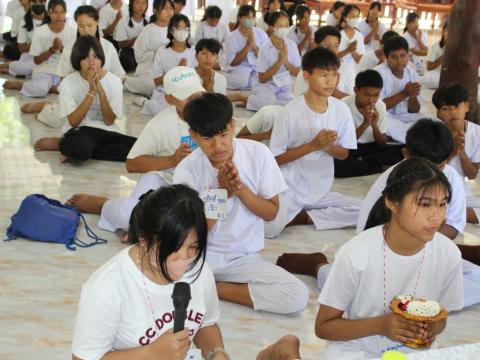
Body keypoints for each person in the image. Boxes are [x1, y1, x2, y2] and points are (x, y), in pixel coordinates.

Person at [277, 122, 480, 309]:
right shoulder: (392, 183)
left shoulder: (451, 177)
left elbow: (453, 225)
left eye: (440, 167)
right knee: (365, 296)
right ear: (406, 155)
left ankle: (415, 301)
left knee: (475, 280)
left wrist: (430, 246)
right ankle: (318, 267)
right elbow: (367, 236)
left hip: (427, 250)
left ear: (447, 160)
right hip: (385, 257)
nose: (432, 175)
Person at [174, 92, 309, 314]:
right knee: (155, 278)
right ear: (194, 135)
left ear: (233, 125)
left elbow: (271, 214)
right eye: (207, 138)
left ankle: (213, 289)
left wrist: (240, 190)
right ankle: (200, 283)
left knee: (297, 295)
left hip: (243, 258)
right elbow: (193, 234)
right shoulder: (186, 170)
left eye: (223, 134)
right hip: (199, 256)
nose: (218, 145)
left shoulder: (258, 154)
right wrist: (222, 193)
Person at [316, 156, 463, 358]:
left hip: (414, 351)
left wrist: (431, 329)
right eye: (425, 204)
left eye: (442, 204)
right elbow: (323, 327)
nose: (436, 216)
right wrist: (381, 325)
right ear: (392, 202)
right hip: (357, 350)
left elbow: (441, 317)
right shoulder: (355, 254)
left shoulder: (449, 254)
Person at [71, 185, 229, 360]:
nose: (185, 258)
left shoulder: (200, 271)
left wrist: (217, 354)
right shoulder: (107, 288)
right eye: (173, 248)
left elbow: (206, 325)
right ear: (144, 239)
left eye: (194, 247)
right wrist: (151, 354)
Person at [67, 66, 205, 238]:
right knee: (131, 216)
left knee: (196, 224)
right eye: (187, 97)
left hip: (201, 185)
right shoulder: (161, 123)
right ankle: (104, 206)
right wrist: (172, 160)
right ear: (169, 99)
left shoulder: (212, 115)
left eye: (198, 95)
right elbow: (131, 164)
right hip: (163, 180)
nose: (195, 101)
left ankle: (140, 230)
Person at [265, 47, 360, 238]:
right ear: (307, 76)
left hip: (320, 188)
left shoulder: (341, 110)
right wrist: (312, 146)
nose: (330, 81)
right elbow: (274, 159)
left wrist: (327, 147)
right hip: (289, 186)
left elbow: (344, 154)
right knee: (269, 229)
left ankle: (305, 217)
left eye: (334, 74)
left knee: (366, 210)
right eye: (324, 75)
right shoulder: (290, 112)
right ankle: (294, 215)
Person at [33, 36, 136, 163]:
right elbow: (74, 122)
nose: (92, 62)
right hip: (80, 131)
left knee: (136, 150)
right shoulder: (68, 82)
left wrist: (101, 91)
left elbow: (109, 121)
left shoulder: (114, 81)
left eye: (96, 57)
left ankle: (66, 145)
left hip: (107, 132)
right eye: (86, 57)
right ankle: (71, 145)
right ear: (78, 60)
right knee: (82, 148)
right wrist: (92, 91)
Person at [21, 5, 125, 129]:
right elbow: (63, 79)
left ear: (97, 23)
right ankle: (46, 107)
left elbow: (119, 77)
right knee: (63, 121)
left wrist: (102, 82)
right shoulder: (70, 48)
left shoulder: (108, 47)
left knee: (102, 125)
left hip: (102, 101)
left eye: (90, 25)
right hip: (77, 101)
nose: (86, 30)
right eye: (81, 26)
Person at [334, 70, 403, 178]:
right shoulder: (343, 105)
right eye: (367, 95)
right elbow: (343, 143)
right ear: (356, 90)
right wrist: (365, 124)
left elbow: (382, 143)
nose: (372, 100)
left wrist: (374, 125)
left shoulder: (380, 106)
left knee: (404, 150)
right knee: (337, 166)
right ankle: (381, 168)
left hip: (372, 148)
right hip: (352, 149)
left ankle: (364, 160)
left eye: (376, 95)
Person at [4, 0, 76, 97]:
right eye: (55, 12)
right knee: (40, 89)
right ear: (48, 13)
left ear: (65, 13)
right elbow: (36, 61)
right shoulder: (40, 31)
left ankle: (46, 87)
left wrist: (63, 49)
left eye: (62, 12)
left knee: (77, 89)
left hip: (65, 71)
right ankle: (24, 85)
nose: (59, 16)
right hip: (45, 70)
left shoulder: (72, 32)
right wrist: (52, 49)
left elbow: (74, 59)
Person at [433, 84, 480, 227]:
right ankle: (451, 212)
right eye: (445, 108)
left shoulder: (477, 133)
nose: (452, 112)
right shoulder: (434, 131)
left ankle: (449, 212)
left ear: (466, 106)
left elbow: (472, 175)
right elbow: (429, 169)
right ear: (439, 113)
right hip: (434, 185)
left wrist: (462, 154)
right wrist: (452, 152)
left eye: (456, 106)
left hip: (459, 187)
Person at [238, 11, 300, 111]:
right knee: (268, 101)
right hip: (265, 85)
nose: (284, 28)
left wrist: (286, 62)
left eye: (287, 25)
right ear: (272, 27)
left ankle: (253, 102)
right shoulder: (265, 49)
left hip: (283, 86)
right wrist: (279, 62)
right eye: (280, 26)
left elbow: (297, 73)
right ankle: (242, 96)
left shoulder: (292, 45)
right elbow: (262, 78)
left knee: (292, 106)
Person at [138, 13, 196, 116]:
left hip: (188, 92)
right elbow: (156, 81)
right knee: (160, 109)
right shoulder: (162, 51)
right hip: (166, 92)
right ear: (171, 30)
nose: (183, 31)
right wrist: (177, 72)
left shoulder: (193, 51)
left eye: (186, 28)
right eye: (179, 28)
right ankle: (144, 102)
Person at [375, 35, 426, 143]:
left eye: (403, 55)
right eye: (394, 57)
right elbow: (379, 107)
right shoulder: (378, 74)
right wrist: (404, 93)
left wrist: (412, 95)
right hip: (386, 118)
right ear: (386, 57)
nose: (399, 60)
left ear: (408, 55)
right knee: (384, 126)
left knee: (430, 123)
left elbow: (414, 111)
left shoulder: (412, 74)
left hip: (406, 117)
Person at [124, 0, 174, 96]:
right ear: (155, 11)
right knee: (152, 85)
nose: (169, 12)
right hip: (149, 70)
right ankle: (127, 82)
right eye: (165, 8)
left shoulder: (175, 29)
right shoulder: (148, 31)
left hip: (169, 69)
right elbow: (138, 56)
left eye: (171, 8)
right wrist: (156, 53)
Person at [294, 26, 356, 99]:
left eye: (336, 46)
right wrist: (331, 89)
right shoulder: (307, 72)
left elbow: (352, 99)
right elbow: (301, 102)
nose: (332, 50)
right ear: (315, 46)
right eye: (326, 45)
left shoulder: (347, 69)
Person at [224, 4, 268, 90]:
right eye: (248, 17)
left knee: (264, 81)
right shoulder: (231, 37)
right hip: (240, 68)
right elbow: (233, 62)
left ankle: (251, 84)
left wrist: (254, 46)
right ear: (239, 18)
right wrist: (247, 47)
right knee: (241, 82)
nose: (251, 20)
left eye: (253, 17)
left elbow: (265, 58)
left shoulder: (261, 33)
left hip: (257, 67)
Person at [0, 0, 47, 78]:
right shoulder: (24, 22)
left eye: (42, 1)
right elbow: (21, 47)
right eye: (35, 2)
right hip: (30, 55)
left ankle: (13, 70)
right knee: (25, 67)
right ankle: (11, 66)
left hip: (49, 57)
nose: (39, 4)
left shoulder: (51, 19)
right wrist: (34, 43)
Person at [114, 0, 148, 73]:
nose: (141, 6)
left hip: (146, 52)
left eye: (144, 3)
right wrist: (138, 38)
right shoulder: (123, 22)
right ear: (131, 4)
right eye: (137, 3)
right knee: (126, 56)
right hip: (129, 54)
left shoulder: (149, 21)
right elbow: (121, 45)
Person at [421, 21, 447, 89]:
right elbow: (429, 67)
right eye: (449, 31)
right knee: (430, 79)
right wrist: (443, 58)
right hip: (436, 74)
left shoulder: (458, 47)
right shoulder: (436, 46)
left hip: (450, 75)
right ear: (443, 32)